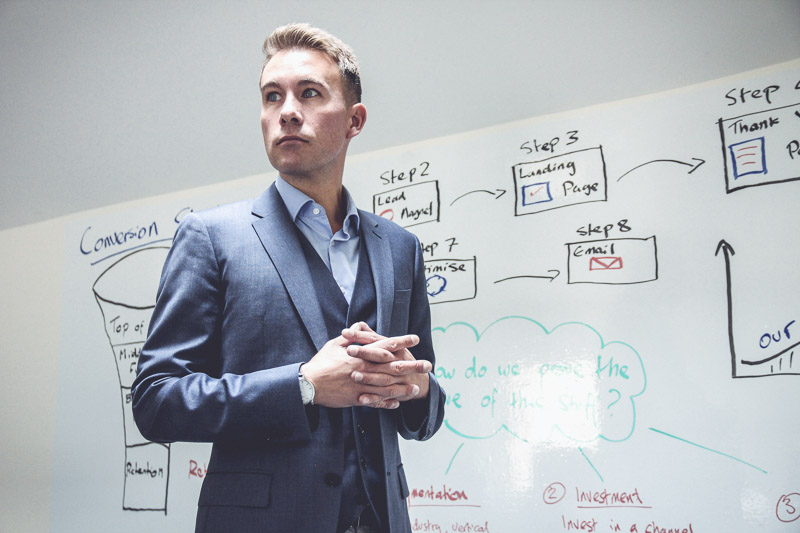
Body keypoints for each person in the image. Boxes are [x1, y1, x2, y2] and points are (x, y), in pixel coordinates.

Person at [131, 22, 445, 533]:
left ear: (354, 120)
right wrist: (302, 387)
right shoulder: (210, 237)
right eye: (272, 96)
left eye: (309, 93)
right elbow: (157, 400)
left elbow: (427, 408)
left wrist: (417, 391)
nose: (287, 111)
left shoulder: (400, 248)